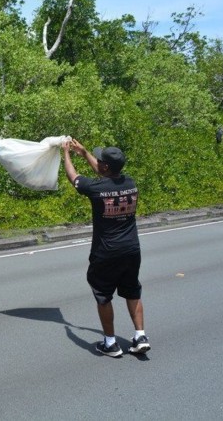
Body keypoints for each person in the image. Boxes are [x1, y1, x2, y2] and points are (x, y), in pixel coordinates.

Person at [62, 140, 150, 357]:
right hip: (131, 250)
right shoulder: (130, 183)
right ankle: (140, 336)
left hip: (106, 253)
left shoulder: (95, 188)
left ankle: (110, 343)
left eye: (101, 161)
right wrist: (84, 153)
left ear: (106, 168)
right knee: (132, 291)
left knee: (103, 296)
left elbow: (73, 177)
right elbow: (103, 173)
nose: (99, 162)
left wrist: (66, 154)